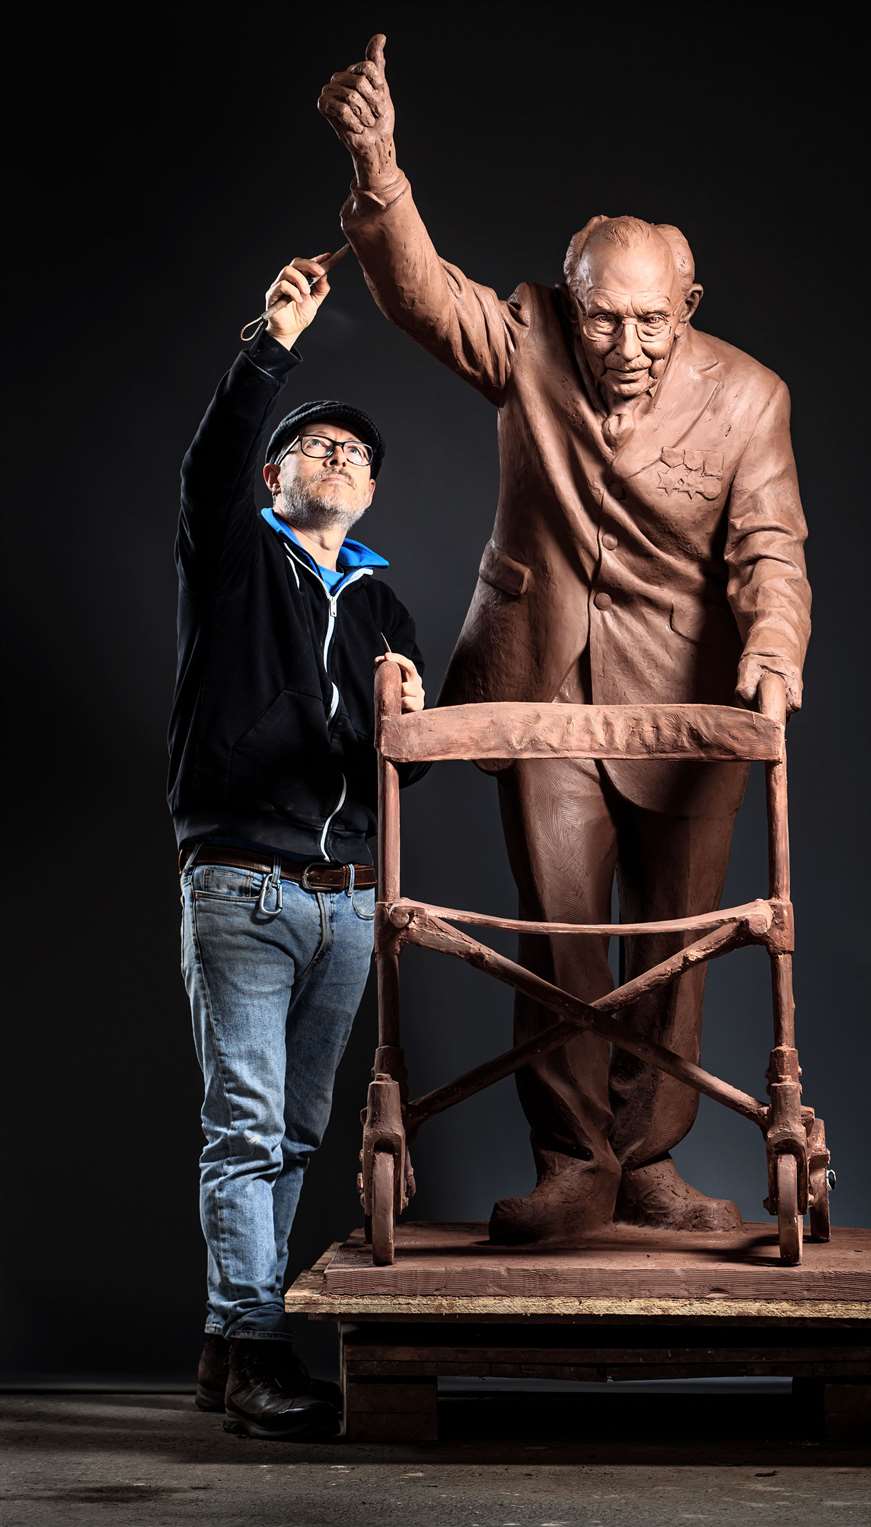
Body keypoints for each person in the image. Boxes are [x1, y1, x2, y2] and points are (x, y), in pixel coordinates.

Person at [318, 36, 811, 1246]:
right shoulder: (530, 336)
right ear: (568, 300)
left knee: (681, 945)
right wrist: (381, 164)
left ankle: (651, 1160)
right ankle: (572, 1162)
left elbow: (771, 550)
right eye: (602, 320)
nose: (625, 348)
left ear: (687, 310)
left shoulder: (751, 397)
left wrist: (774, 649)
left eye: (650, 323)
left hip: (690, 704)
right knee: (559, 940)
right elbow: (423, 295)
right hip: (540, 684)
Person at [168, 250, 426, 1439]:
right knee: (246, 1125)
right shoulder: (236, 551)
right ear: (278, 475)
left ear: (370, 493)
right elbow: (213, 462)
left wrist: (412, 717)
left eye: (357, 456)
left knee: (299, 1137)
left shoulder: (380, 602)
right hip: (243, 884)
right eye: (319, 447)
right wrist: (271, 344)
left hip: (347, 901)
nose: (340, 460)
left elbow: (402, 766)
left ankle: (232, 1355)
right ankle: (258, 1348)